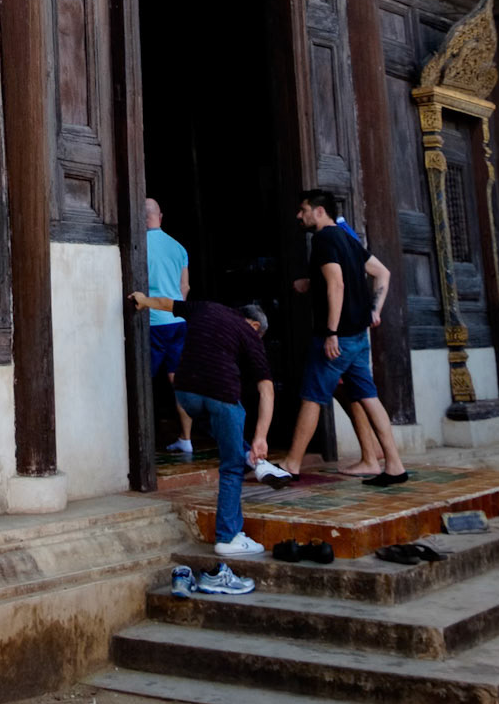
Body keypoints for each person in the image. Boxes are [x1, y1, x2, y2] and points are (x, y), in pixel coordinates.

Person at [266, 187, 408, 487]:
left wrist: (331, 331)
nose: (299, 215)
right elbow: (382, 273)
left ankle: (291, 463)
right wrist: (373, 310)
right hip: (358, 336)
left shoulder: (323, 240)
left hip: (338, 337)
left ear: (319, 211)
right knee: (369, 398)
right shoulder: (347, 238)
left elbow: (337, 284)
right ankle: (394, 465)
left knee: (312, 397)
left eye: (303, 210)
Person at [129, 289, 276, 559]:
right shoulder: (250, 336)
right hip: (221, 395)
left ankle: (247, 454)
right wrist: (261, 437)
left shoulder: (205, 307)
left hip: (186, 394)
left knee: (223, 431)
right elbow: (267, 390)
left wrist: (143, 300)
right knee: (231, 467)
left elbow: (165, 303)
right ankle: (228, 537)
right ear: (255, 325)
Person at [145, 198, 194, 457]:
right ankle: (186, 439)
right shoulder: (178, 247)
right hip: (177, 322)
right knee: (178, 382)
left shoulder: (138, 245)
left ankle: (142, 442)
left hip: (152, 323)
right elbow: (184, 287)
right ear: (160, 216)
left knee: (144, 381)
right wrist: (175, 309)